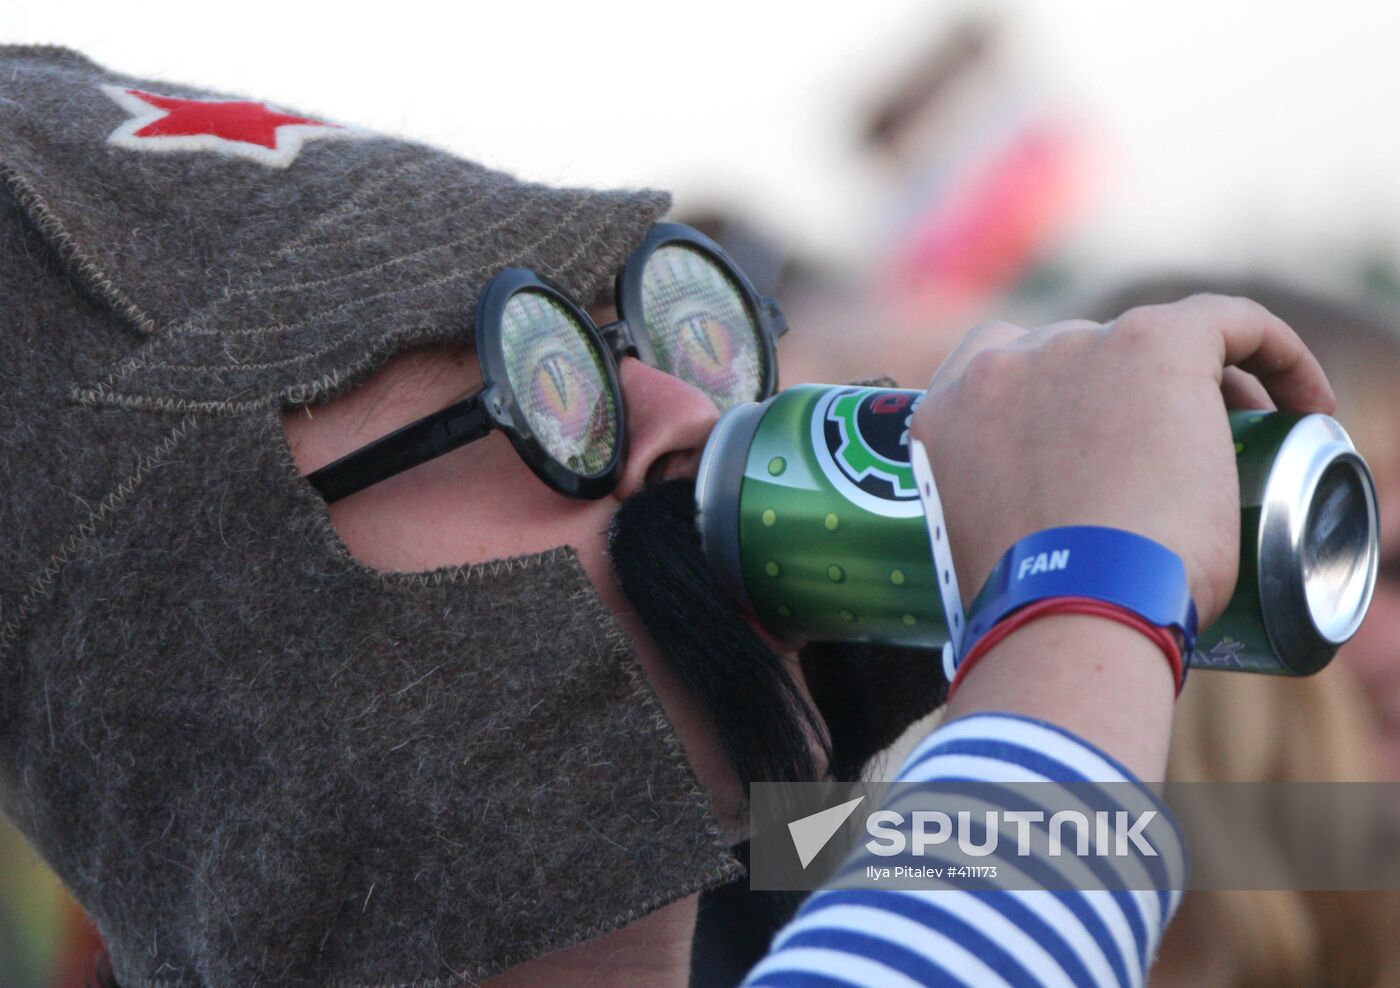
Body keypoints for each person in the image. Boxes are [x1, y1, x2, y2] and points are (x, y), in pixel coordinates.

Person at [0, 48, 1336, 987]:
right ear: (223, 608)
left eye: (652, 331)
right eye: (539, 383)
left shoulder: (793, 849)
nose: (690, 417)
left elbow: (1286, 841)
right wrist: (1087, 593)